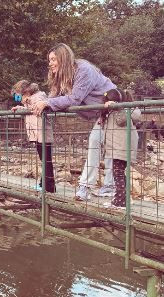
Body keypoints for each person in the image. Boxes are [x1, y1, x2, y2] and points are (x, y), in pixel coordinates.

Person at [30, 43, 117, 201]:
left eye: (53, 59)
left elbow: (75, 98)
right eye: (49, 60)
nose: (50, 63)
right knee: (102, 144)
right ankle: (106, 186)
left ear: (63, 58)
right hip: (101, 112)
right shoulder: (62, 77)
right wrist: (31, 104)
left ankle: (88, 187)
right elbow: (52, 98)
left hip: (111, 108)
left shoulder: (83, 69)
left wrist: (48, 103)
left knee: (102, 144)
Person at [11, 79, 55, 193]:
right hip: (37, 134)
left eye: (21, 93)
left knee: (46, 160)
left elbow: (38, 108)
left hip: (43, 133)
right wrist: (20, 108)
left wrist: (28, 101)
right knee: (43, 159)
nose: (20, 97)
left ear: (26, 91)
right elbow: (30, 109)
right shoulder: (30, 100)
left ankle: (49, 186)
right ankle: (44, 184)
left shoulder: (39, 96)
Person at [102, 89, 142, 208]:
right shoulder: (129, 110)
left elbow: (120, 121)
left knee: (118, 173)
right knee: (120, 173)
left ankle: (121, 201)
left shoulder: (121, 111)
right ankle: (124, 198)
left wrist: (116, 107)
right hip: (123, 147)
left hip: (120, 148)